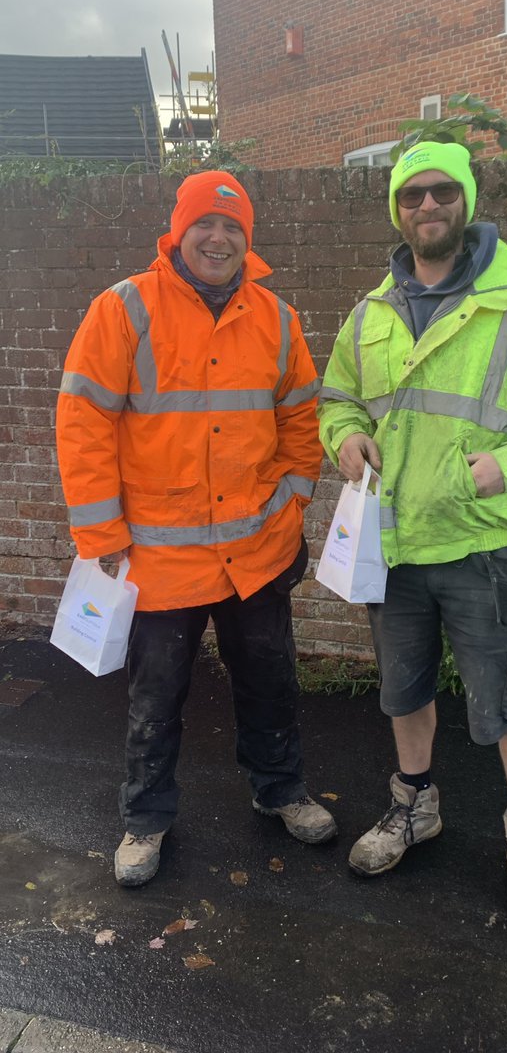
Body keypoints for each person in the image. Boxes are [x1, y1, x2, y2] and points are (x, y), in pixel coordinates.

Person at [318, 141, 507, 933]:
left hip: (486, 543)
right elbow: (336, 398)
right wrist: (343, 439)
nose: (427, 207)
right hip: (398, 545)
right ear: (395, 209)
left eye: (443, 192)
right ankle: (414, 809)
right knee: (402, 692)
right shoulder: (370, 312)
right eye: (411, 195)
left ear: (466, 200)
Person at [56, 170, 337, 887]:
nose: (219, 239)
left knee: (270, 683)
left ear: (249, 240)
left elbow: (301, 416)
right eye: (205, 226)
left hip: (256, 550)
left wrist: (296, 498)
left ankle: (280, 791)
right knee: (156, 700)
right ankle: (145, 821)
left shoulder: (275, 318)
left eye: (233, 228)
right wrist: (100, 537)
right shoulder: (124, 309)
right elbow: (83, 424)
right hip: (159, 560)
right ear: (178, 233)